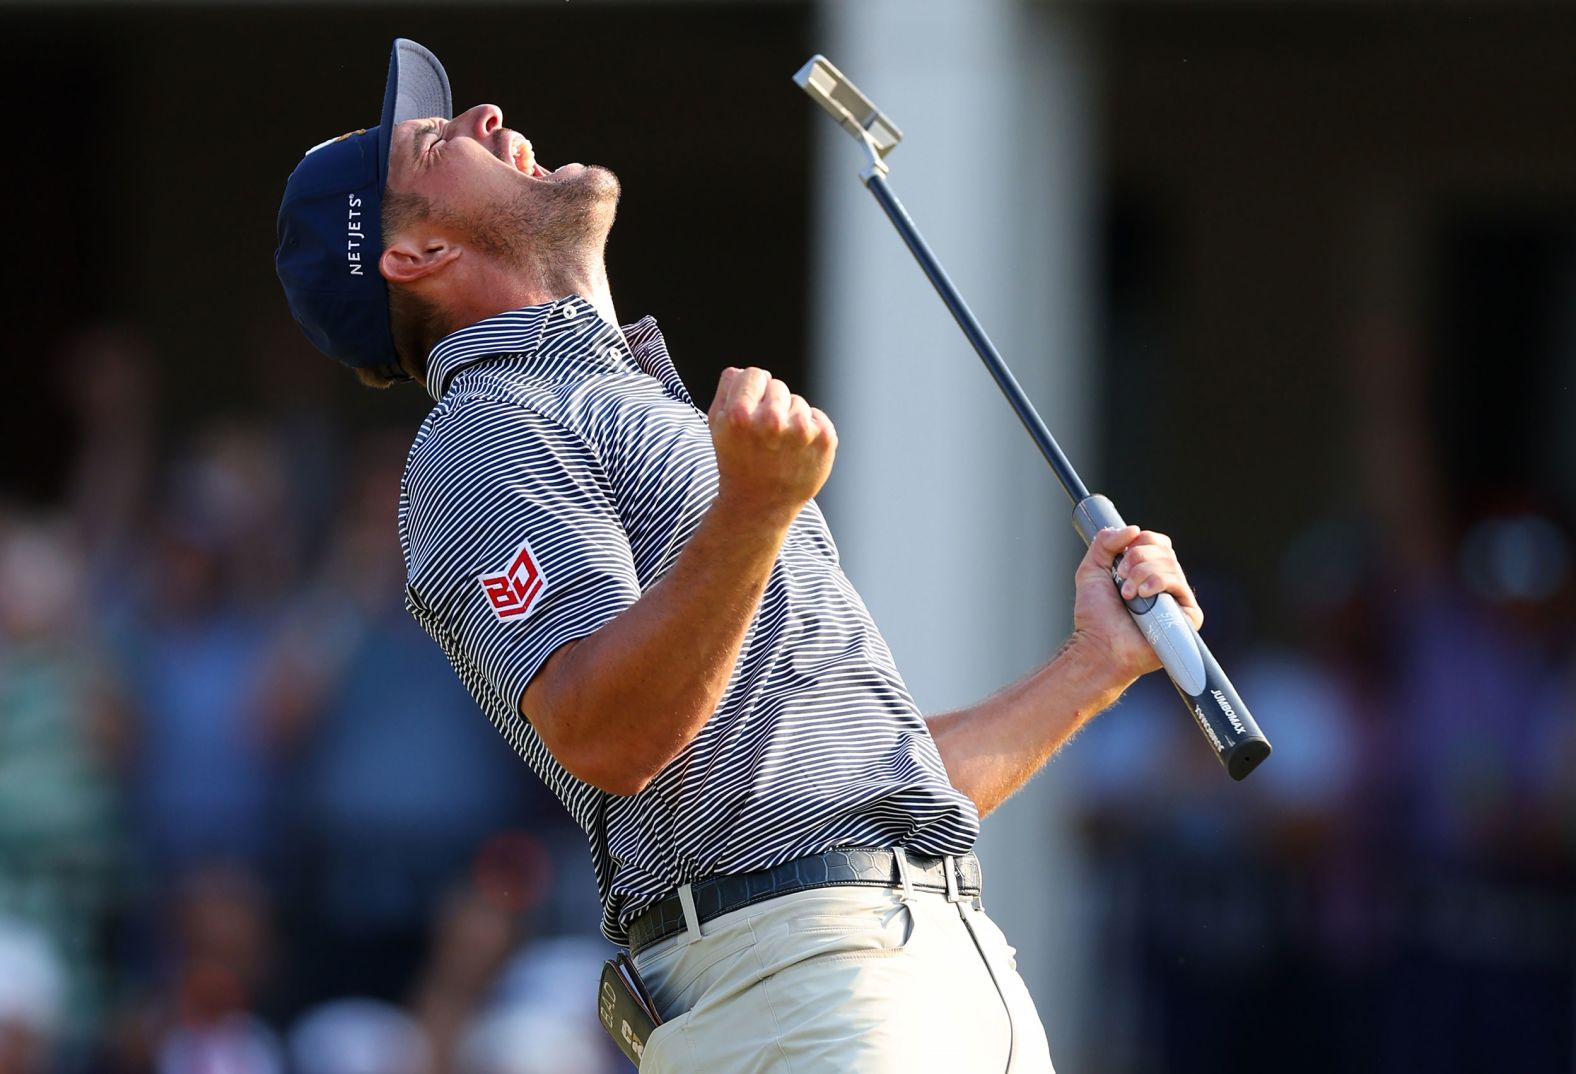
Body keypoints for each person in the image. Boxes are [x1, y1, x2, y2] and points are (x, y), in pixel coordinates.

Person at [275, 38, 1205, 1073]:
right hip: (801, 986)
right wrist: (753, 512)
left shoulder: (620, 402)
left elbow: (877, 793)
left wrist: (1093, 666)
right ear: (413, 256)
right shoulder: (484, 432)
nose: (488, 114)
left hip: (928, 969)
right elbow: (605, 732)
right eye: (439, 142)